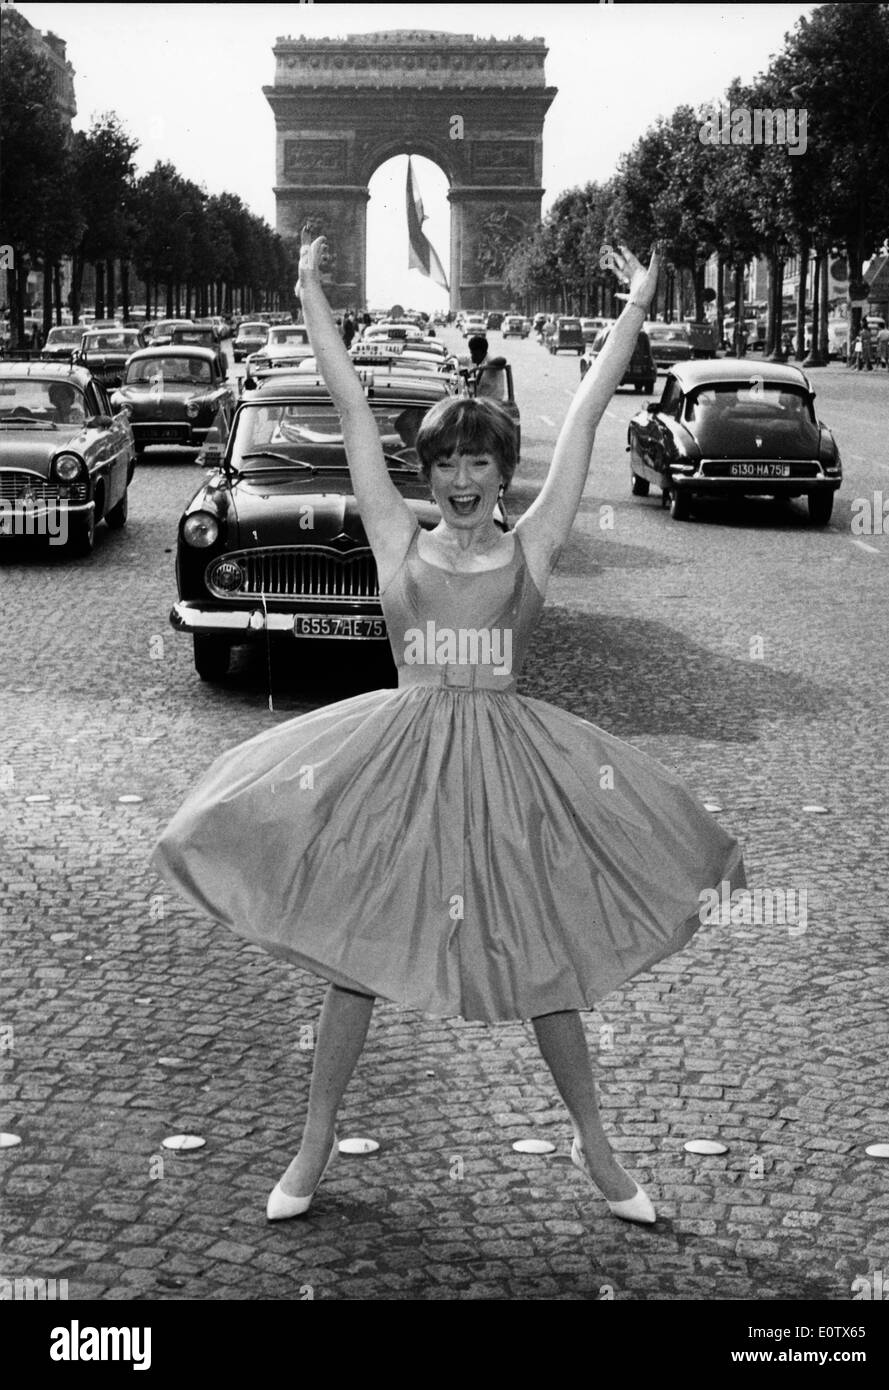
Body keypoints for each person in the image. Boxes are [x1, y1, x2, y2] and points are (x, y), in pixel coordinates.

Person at [152, 230, 744, 1229]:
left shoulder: (535, 541)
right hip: (398, 760)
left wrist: (640, 302)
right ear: (422, 470)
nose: (462, 479)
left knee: (546, 960)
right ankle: (313, 1143)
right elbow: (346, 404)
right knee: (357, 961)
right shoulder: (394, 534)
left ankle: (593, 1146)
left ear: (503, 468)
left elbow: (595, 403)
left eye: (479, 461)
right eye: (446, 463)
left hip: (512, 765)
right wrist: (307, 295)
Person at [467, 334, 507, 401]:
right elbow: (457, 358)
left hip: (494, 403)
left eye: (475, 354)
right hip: (479, 402)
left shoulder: (491, 361)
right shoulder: (474, 360)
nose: (472, 357)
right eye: (471, 353)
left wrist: (484, 367)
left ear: (482, 352)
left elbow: (503, 360)